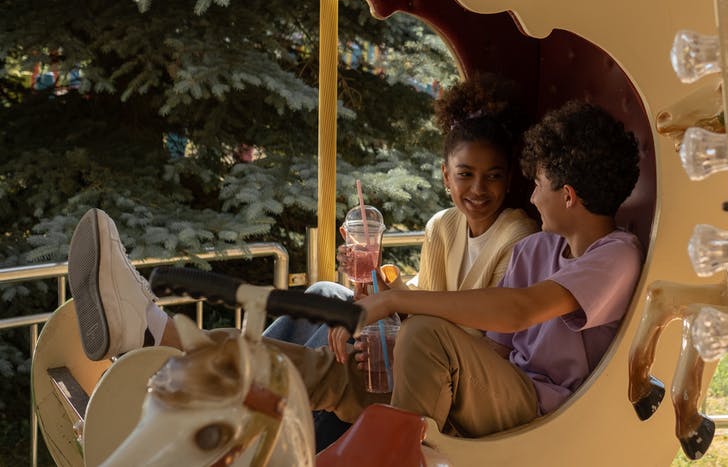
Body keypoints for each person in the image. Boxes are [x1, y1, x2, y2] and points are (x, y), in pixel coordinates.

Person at [68, 100, 644, 439]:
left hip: (541, 409)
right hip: (481, 383)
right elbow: (491, 346)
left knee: (422, 332)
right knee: (327, 369)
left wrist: (398, 307)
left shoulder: (613, 255)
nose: (531, 191)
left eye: (538, 181)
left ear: (567, 194)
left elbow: (520, 312)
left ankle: (384, 451)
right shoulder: (534, 251)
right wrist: (389, 334)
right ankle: (157, 333)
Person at [259, 74, 538, 446]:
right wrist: (376, 281)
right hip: (425, 346)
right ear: (445, 176)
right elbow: (425, 306)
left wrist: (397, 331)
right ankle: (252, 383)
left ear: (507, 181)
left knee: (347, 360)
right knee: (325, 295)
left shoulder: (518, 237)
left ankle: (269, 411)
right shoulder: (442, 226)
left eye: (493, 177)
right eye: (465, 175)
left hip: (468, 379)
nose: (478, 189)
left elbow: (483, 345)